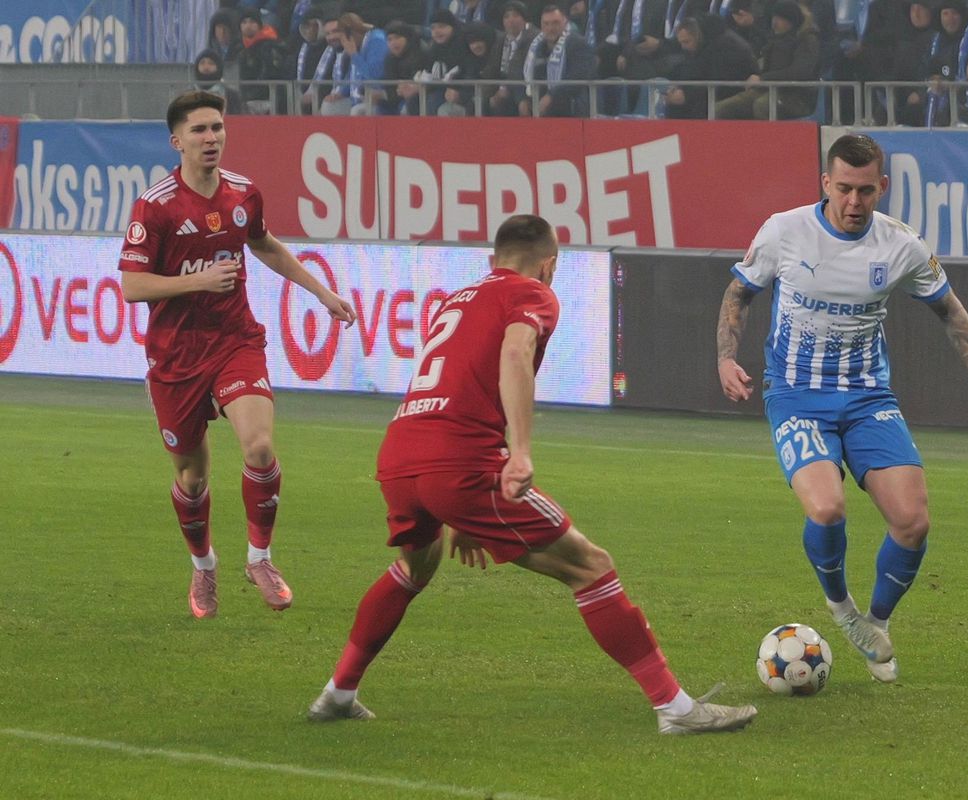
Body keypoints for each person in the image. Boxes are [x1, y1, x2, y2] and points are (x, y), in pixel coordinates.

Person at [306, 214, 758, 735]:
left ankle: (339, 692)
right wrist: (518, 453)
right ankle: (676, 709)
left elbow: (455, 387)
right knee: (591, 566)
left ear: (490, 260)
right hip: (461, 462)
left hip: (401, 455)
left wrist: (461, 515)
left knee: (415, 568)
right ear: (550, 264)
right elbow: (516, 353)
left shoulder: (455, 300)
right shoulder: (533, 293)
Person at [715, 133, 968, 683]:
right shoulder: (784, 231)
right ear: (825, 184)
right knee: (828, 509)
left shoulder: (901, 245)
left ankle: (874, 623)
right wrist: (724, 357)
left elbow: (951, 313)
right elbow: (739, 294)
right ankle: (840, 605)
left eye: (865, 190)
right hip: (795, 396)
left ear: (882, 187)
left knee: (912, 521)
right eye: (844, 189)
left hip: (867, 398)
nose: (854, 202)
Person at [117, 91, 357, 619]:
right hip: (176, 354)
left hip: (235, 341)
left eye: (218, 128)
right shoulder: (154, 206)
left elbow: (264, 243)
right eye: (200, 130)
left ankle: (260, 558)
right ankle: (204, 567)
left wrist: (321, 292)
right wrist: (199, 279)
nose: (212, 138)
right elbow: (132, 286)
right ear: (176, 141)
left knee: (260, 447)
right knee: (192, 478)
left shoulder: (244, 193)